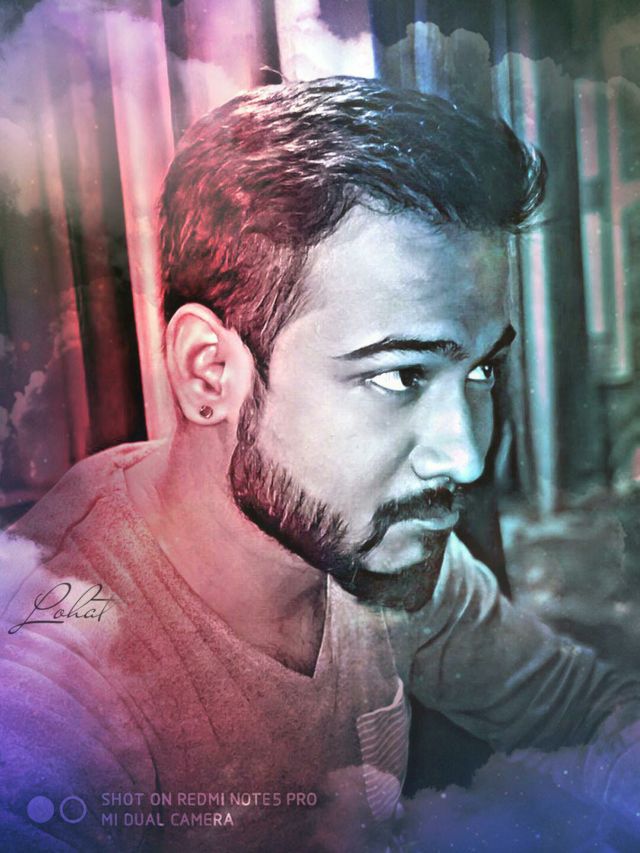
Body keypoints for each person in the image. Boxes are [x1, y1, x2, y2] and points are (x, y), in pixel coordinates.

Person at [1, 76, 639, 852]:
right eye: (401, 375)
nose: (467, 459)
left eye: (480, 371)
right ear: (210, 372)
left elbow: (588, 711)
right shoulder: (49, 699)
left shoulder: (375, 548)